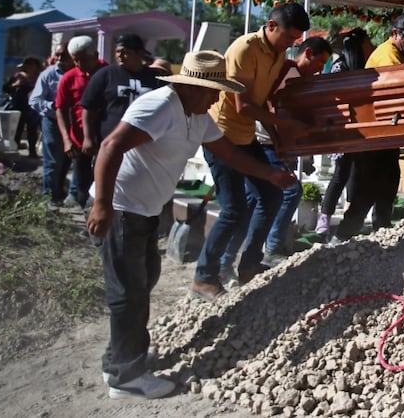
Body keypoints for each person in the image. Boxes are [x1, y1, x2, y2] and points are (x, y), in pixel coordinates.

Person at [85, 50, 296, 400]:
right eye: (213, 91)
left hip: (146, 210)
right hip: (121, 207)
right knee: (127, 293)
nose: (217, 98)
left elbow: (229, 154)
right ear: (194, 87)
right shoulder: (159, 107)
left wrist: (271, 174)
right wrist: (102, 204)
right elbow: (110, 146)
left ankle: (124, 356)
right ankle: (125, 377)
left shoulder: (197, 116)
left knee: (145, 280)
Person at [192, 2, 311, 300]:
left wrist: (279, 140)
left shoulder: (278, 52)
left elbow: (264, 103)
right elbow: (243, 106)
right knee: (233, 210)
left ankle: (249, 264)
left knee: (273, 193)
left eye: (295, 41)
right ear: (271, 26)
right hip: (221, 135)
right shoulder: (244, 49)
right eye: (287, 38)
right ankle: (203, 278)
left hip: (246, 136)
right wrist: (283, 122)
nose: (290, 45)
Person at [334, 13, 404, 240]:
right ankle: (343, 238)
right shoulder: (388, 56)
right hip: (375, 134)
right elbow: (401, 92)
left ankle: (380, 232)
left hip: (384, 134)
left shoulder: (398, 55)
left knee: (388, 182)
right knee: (367, 189)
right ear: (395, 34)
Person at [261, 36, 332, 265]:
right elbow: (266, 103)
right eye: (319, 63)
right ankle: (271, 248)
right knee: (290, 191)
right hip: (263, 139)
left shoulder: (300, 77)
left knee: (278, 194)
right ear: (307, 53)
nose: (320, 69)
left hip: (275, 141)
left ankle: (269, 245)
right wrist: (278, 137)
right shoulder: (288, 70)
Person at [316, 27, 374, 236]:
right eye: (367, 43)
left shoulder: (365, 68)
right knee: (340, 173)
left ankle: (350, 214)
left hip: (359, 129)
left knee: (355, 174)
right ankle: (324, 218)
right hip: (342, 128)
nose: (371, 47)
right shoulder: (340, 66)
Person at [81, 33, 160, 159]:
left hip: (146, 144)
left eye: (125, 52)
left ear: (139, 53)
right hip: (111, 143)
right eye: (117, 52)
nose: (119, 56)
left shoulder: (156, 78)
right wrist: (88, 137)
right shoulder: (106, 75)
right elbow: (88, 108)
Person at [56, 36, 107, 208]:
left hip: (107, 140)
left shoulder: (110, 73)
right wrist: (66, 140)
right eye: (75, 60)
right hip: (80, 142)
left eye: (83, 59)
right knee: (83, 187)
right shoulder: (69, 78)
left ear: (95, 54)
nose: (79, 64)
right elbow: (61, 109)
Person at [30, 44, 76, 204]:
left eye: (63, 55)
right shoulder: (48, 75)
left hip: (73, 123)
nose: (59, 58)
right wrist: (55, 107)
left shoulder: (78, 73)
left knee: (67, 161)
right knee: (53, 161)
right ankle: (48, 196)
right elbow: (34, 100)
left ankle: (60, 191)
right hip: (52, 122)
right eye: (57, 55)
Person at [2, 56, 44, 156]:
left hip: (32, 109)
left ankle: (32, 151)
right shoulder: (17, 76)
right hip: (18, 107)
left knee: (32, 131)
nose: (30, 67)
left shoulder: (40, 78)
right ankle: (15, 150)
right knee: (18, 130)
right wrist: (15, 85)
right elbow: (5, 88)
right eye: (28, 64)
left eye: (32, 64)